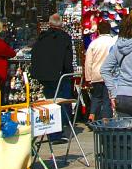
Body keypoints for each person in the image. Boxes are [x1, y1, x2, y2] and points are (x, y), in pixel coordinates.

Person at [30, 14, 75, 142]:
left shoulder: (42, 37)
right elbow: (68, 59)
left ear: (49, 24)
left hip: (44, 75)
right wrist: (69, 73)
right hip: (59, 75)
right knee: (59, 103)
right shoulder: (64, 37)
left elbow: (35, 55)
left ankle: (51, 131)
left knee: (49, 102)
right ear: (61, 24)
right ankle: (56, 133)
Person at [84, 21, 117, 123]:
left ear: (98, 31)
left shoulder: (94, 43)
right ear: (109, 30)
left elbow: (88, 62)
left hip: (96, 74)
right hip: (110, 75)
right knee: (107, 99)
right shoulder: (113, 42)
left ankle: (92, 115)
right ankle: (106, 120)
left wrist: (88, 77)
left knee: (96, 97)